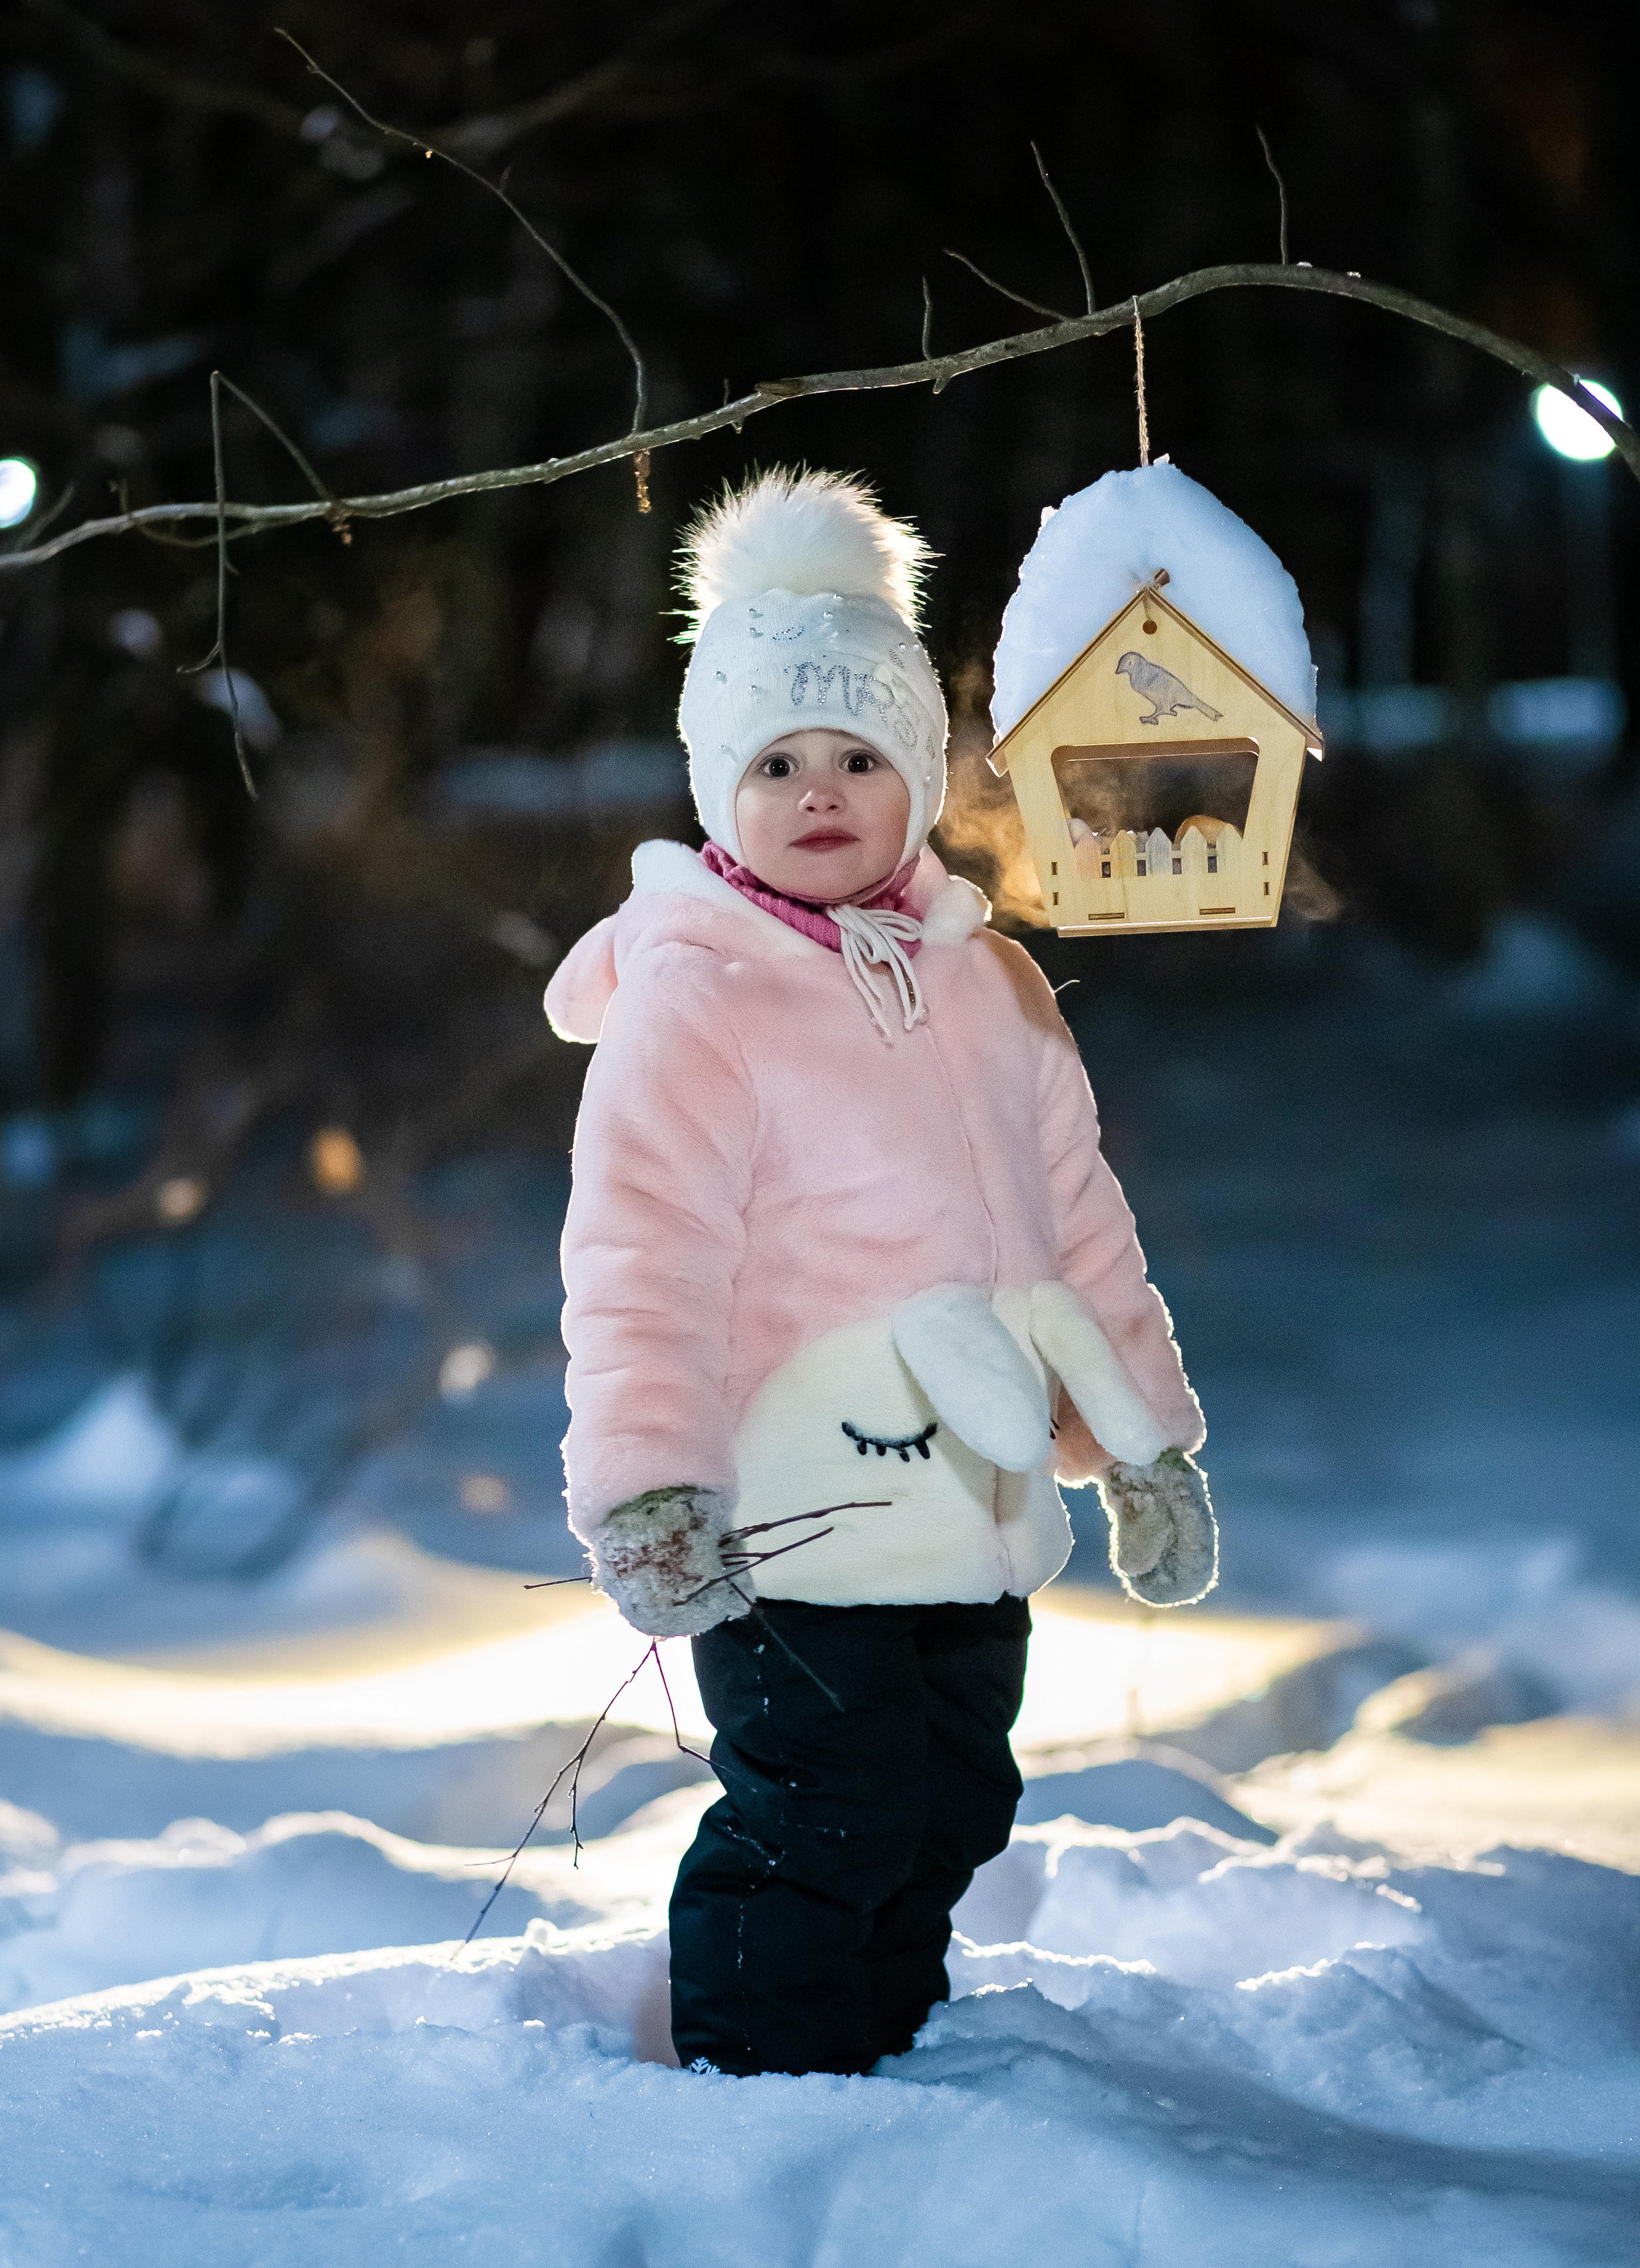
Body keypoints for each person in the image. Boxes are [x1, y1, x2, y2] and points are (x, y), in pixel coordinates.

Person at [543, 467, 1214, 2079]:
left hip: (978, 1509)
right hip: (794, 1514)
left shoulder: (991, 986)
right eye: (776, 762)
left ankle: (893, 2055)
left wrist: (1142, 1440)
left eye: (859, 755)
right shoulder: (694, 1003)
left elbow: (1079, 1221)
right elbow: (639, 1255)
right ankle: (771, 2090)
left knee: (952, 1801)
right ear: (718, 786)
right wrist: (650, 1488)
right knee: (820, 1810)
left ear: (916, 776)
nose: (821, 790)